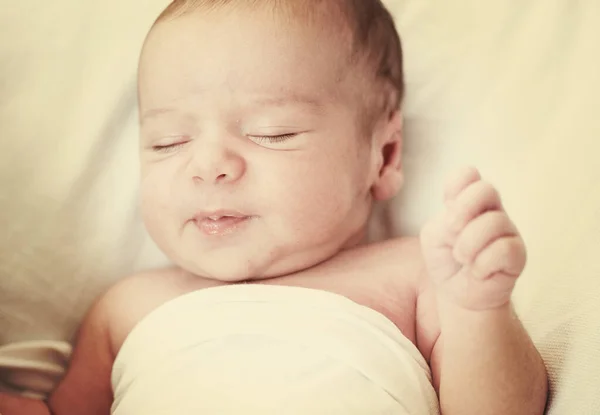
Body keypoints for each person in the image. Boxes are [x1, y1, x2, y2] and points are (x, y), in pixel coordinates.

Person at [2, 0, 548, 414]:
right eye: (167, 142)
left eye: (272, 132)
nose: (208, 165)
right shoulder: (127, 306)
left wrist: (478, 311)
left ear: (383, 156)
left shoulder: (414, 275)